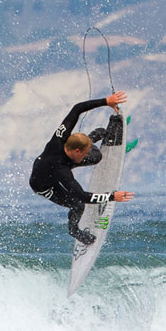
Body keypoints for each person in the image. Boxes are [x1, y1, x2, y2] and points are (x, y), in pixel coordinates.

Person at [30, 91, 134, 244]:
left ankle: (96, 137)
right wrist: (112, 196)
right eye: (85, 153)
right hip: (44, 184)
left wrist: (107, 101)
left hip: (64, 159)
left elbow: (77, 108)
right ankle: (74, 230)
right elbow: (83, 196)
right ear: (77, 151)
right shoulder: (62, 172)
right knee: (78, 205)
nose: (86, 156)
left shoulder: (62, 136)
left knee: (96, 157)